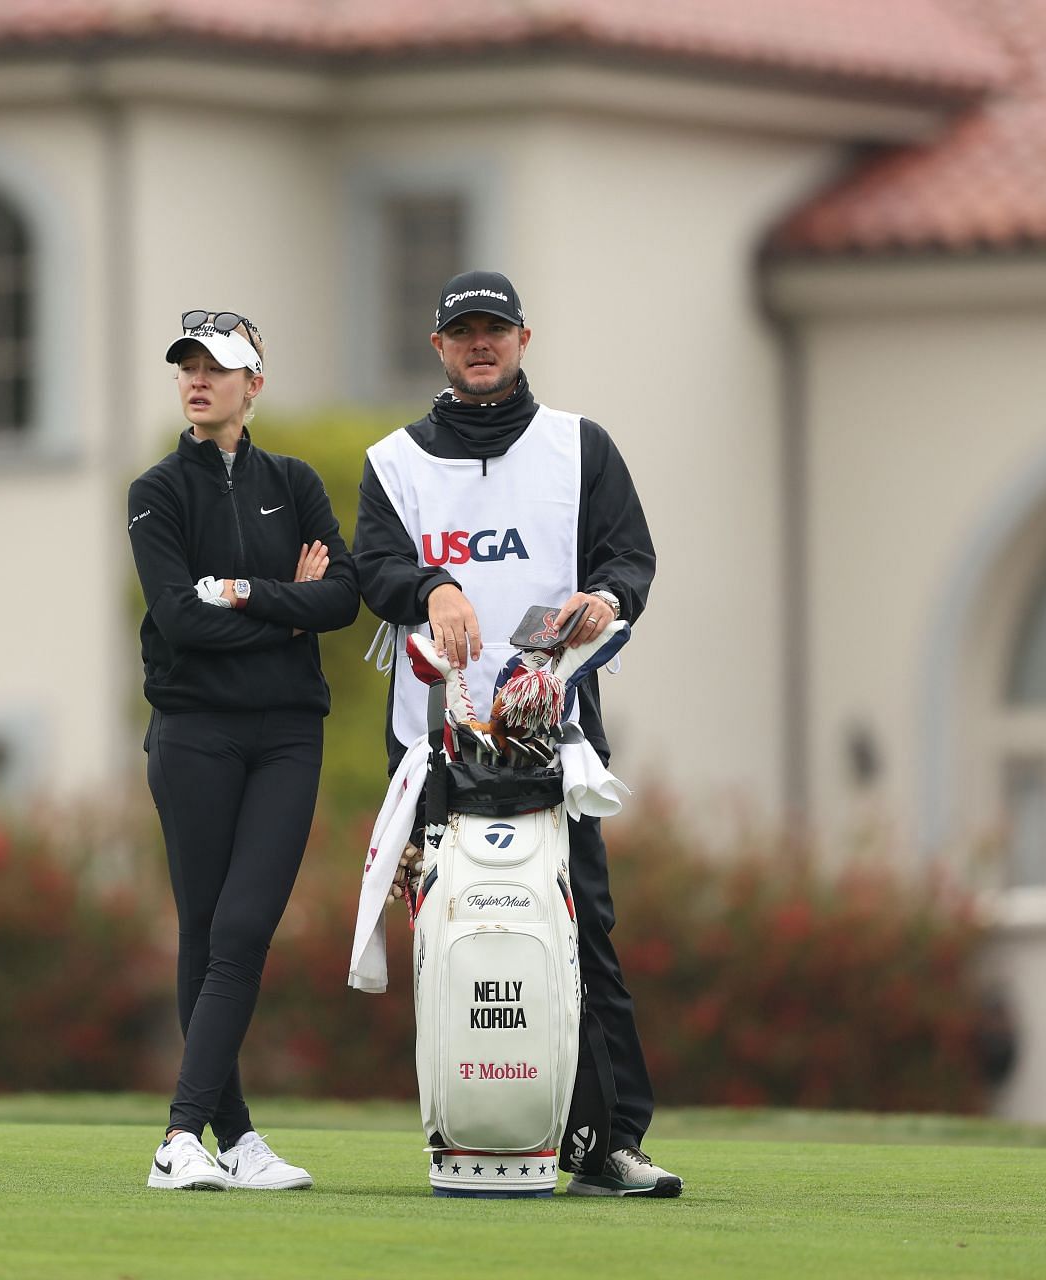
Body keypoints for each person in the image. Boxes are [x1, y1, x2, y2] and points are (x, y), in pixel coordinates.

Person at [352, 271, 681, 1198]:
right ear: (439, 350)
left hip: (558, 738)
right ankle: (467, 1128)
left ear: (524, 339)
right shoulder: (394, 461)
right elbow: (374, 567)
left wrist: (604, 597)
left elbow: (630, 557)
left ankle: (609, 1144)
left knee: (587, 932)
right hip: (433, 747)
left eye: (495, 330)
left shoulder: (582, 449)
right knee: (454, 933)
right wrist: (434, 588)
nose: (481, 345)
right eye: (464, 333)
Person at [127, 310, 361, 1191]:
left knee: (243, 925)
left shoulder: (294, 483)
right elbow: (178, 620)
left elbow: (339, 598)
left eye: (217, 367)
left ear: (252, 384)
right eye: (187, 365)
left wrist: (235, 593)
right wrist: (279, 608)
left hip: (287, 735)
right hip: (193, 734)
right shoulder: (155, 492)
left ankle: (193, 1138)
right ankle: (217, 1139)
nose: (198, 378)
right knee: (208, 931)